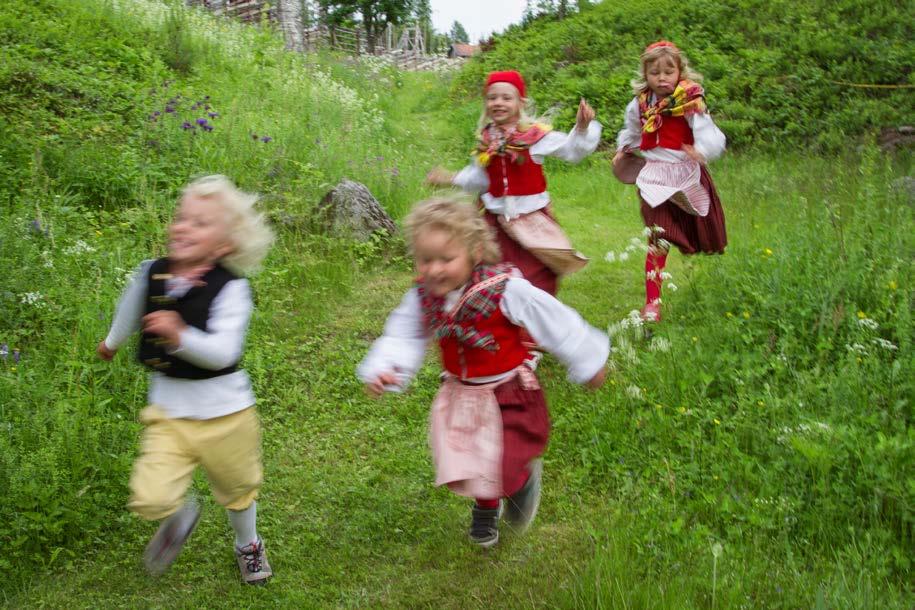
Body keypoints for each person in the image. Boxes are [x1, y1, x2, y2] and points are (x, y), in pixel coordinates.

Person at [357, 198, 609, 548]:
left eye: (446, 259)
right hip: (462, 393)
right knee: (473, 461)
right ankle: (486, 508)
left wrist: (587, 359)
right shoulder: (424, 296)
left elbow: (553, 320)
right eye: (425, 259)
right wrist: (388, 367)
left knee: (503, 461)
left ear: (475, 252)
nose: (434, 270)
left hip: (506, 392)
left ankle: (521, 481)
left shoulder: (505, 289)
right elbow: (405, 332)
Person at [97, 175, 275, 584]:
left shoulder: (232, 290)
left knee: (238, 488)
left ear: (225, 244)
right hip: (169, 411)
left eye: (200, 223)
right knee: (150, 494)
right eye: (181, 218)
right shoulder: (152, 273)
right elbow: (130, 307)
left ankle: (247, 544)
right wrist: (111, 341)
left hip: (227, 414)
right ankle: (179, 516)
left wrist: (180, 337)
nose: (183, 227)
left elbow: (223, 353)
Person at [427, 70, 602, 296]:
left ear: (521, 103)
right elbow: (480, 178)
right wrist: (450, 178)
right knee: (492, 272)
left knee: (535, 273)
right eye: (492, 98)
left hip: (530, 221)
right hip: (495, 222)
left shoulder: (534, 138)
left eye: (506, 98)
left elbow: (570, 150)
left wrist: (581, 128)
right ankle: (499, 319)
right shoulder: (487, 139)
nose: (498, 103)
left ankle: (532, 320)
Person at [612, 41, 728, 322]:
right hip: (654, 175)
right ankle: (653, 303)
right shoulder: (639, 104)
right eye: (654, 72)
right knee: (657, 235)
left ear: (679, 71)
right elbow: (631, 131)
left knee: (696, 227)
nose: (662, 77)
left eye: (668, 71)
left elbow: (709, 132)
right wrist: (623, 149)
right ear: (646, 74)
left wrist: (702, 150)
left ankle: (692, 250)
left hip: (685, 172)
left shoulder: (689, 101)